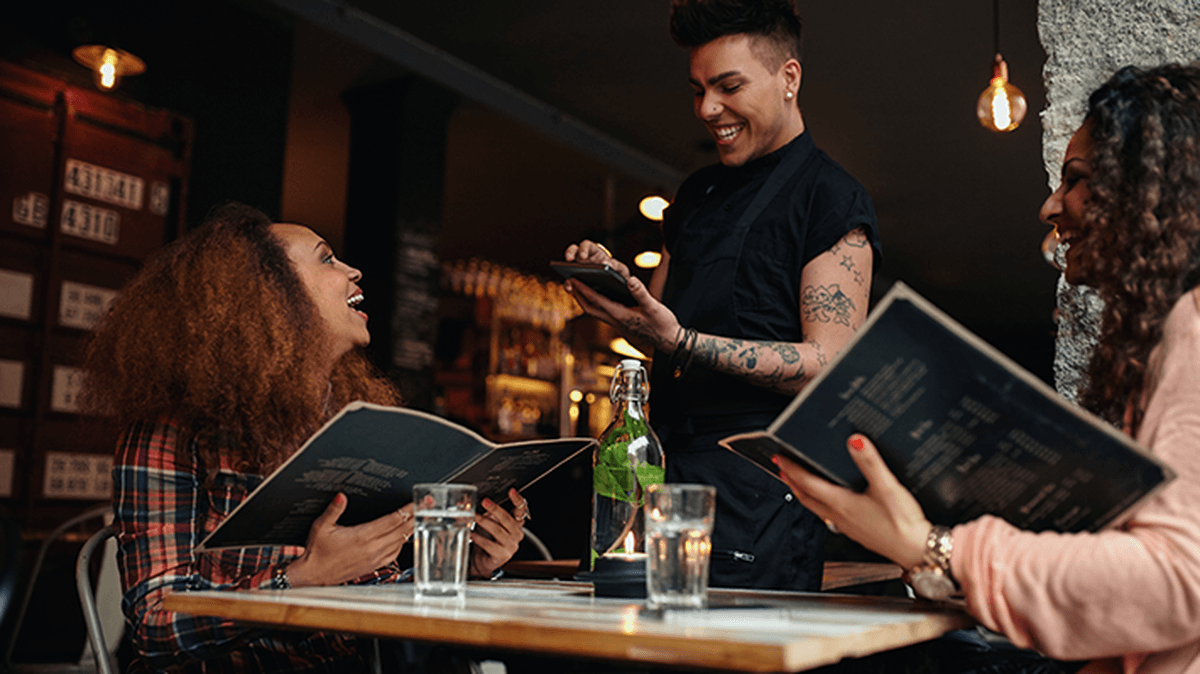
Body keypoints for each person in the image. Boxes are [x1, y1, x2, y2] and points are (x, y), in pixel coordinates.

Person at [777, 64, 1200, 673]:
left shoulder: (1192, 324)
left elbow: (1177, 581)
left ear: (1148, 194)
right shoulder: (1158, 334)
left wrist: (933, 547)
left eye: (1076, 181)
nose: (1049, 207)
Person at [79, 202, 529, 673]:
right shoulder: (174, 426)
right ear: (269, 295)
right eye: (327, 259)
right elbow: (155, 624)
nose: (354, 271)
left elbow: (372, 595)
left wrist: (469, 567)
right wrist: (302, 579)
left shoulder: (349, 421)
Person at [564, 0, 881, 591]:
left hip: (760, 490)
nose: (708, 109)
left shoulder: (831, 198)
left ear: (789, 78)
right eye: (699, 89)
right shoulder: (697, 193)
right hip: (661, 475)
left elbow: (828, 365)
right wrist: (616, 294)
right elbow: (660, 324)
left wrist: (678, 340)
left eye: (728, 86)